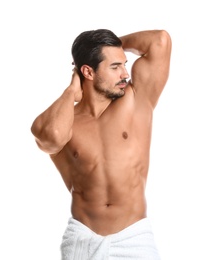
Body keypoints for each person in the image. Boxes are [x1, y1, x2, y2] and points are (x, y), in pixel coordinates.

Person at [31, 28, 172, 259]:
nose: (125, 74)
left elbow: (160, 40)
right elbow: (51, 137)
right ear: (87, 71)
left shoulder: (136, 99)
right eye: (115, 67)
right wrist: (70, 91)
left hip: (133, 238)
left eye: (124, 64)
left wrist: (111, 47)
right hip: (82, 239)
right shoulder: (66, 119)